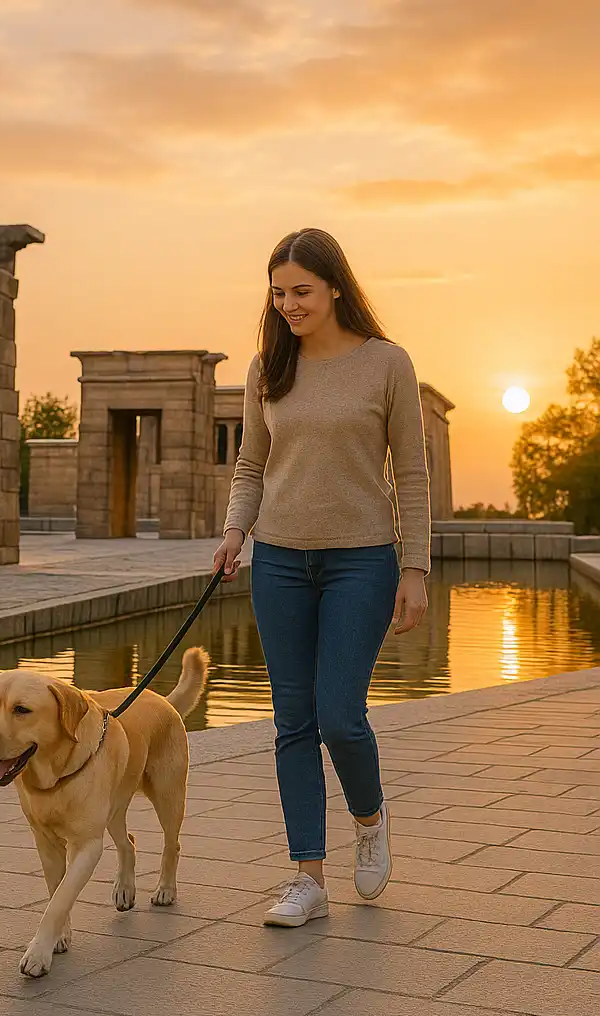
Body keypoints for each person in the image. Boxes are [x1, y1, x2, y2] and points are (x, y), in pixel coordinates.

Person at [212, 227, 430, 927]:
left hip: (361, 559)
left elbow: (414, 476)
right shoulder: (267, 367)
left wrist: (416, 567)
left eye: (301, 291)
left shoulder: (387, 364)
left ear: (336, 286)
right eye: (278, 294)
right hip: (278, 559)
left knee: (341, 716)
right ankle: (307, 875)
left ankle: (369, 819)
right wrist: (233, 532)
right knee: (291, 722)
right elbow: (251, 466)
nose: (288, 305)